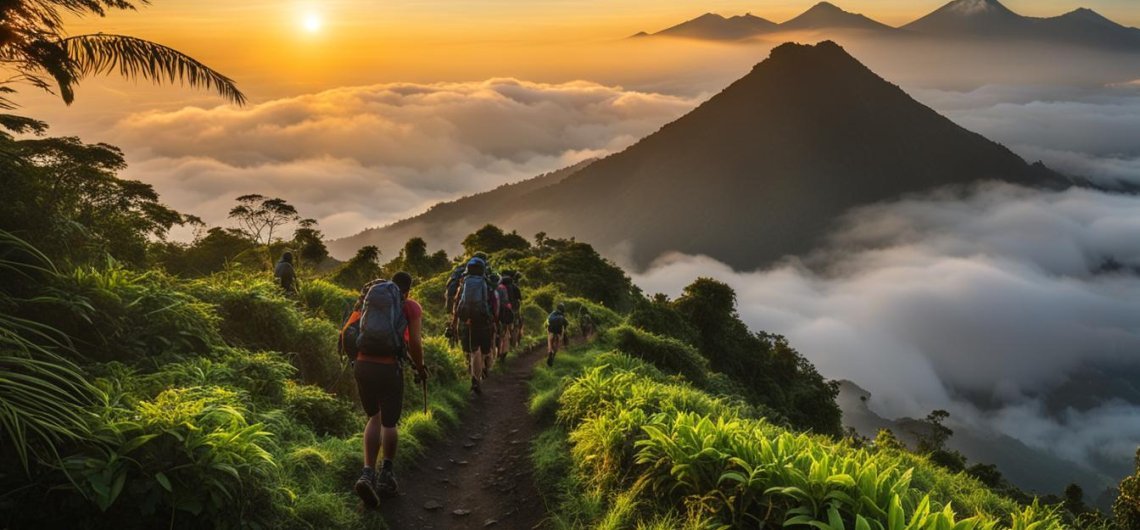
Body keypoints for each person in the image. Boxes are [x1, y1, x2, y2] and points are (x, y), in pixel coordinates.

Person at [348, 272, 428, 508]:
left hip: (362, 364)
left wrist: (357, 360)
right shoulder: (411, 306)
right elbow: (415, 342)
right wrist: (420, 368)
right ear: (408, 290)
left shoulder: (369, 300)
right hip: (389, 367)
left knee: (374, 417)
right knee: (389, 423)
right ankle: (386, 476)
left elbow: (346, 333)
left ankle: (367, 474)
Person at [453, 258, 495, 395]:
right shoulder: (483, 282)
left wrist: (464, 318)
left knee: (473, 350)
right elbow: (487, 301)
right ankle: (478, 377)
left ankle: (474, 378)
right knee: (482, 352)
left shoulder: (464, 281)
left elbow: (458, 302)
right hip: (481, 318)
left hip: (467, 318)